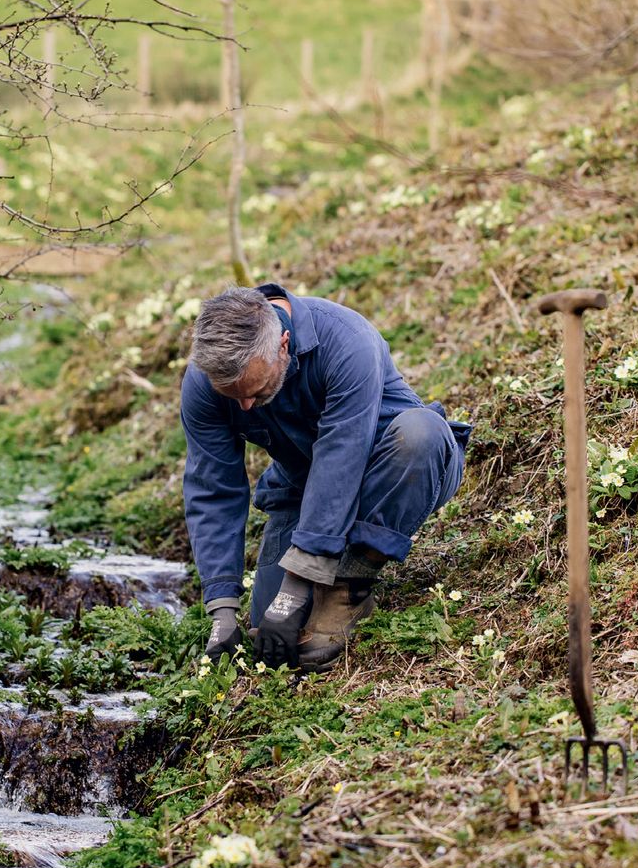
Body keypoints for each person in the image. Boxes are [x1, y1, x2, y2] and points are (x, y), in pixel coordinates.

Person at [180, 283, 471, 670]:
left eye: (257, 390)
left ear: (283, 345)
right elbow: (212, 489)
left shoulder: (347, 342)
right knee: (273, 625)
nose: (246, 406)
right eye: (234, 398)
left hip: (392, 470)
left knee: (421, 434)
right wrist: (222, 608)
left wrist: (299, 584)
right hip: (303, 490)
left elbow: (341, 458)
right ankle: (318, 577)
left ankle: (350, 585)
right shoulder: (204, 383)